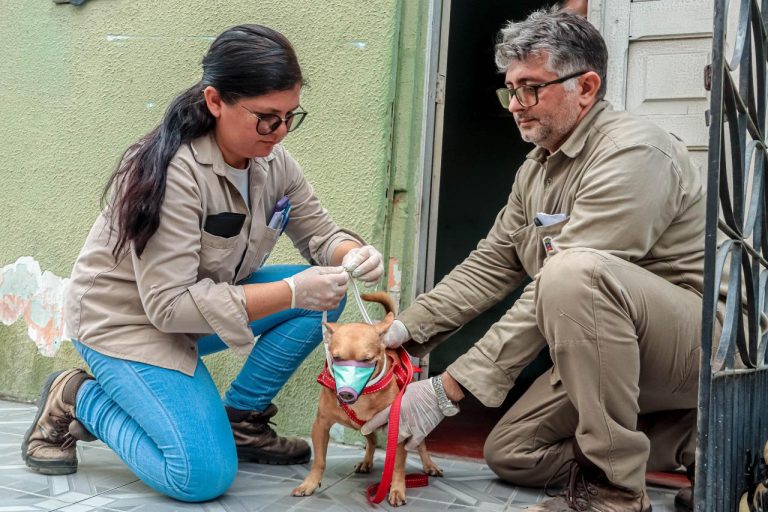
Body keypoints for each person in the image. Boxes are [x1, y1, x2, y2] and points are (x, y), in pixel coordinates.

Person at [21, 24, 384, 503]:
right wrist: (294, 290)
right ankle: (76, 396)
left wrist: (350, 254)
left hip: (197, 305)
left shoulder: (275, 163)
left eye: (290, 117)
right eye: (266, 118)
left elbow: (320, 233)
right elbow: (167, 308)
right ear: (215, 101)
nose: (279, 132)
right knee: (200, 477)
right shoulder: (174, 171)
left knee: (327, 297)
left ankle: (242, 421)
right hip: (127, 324)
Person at [363, 9, 704, 512]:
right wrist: (402, 332)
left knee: (571, 273)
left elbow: (573, 281)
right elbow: (491, 263)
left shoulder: (635, 152)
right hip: (612, 351)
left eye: (530, 89)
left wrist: (447, 389)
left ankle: (615, 493)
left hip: (691, 347)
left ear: (585, 87)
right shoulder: (538, 168)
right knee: (514, 454)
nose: (516, 106)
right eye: (510, 91)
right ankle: (694, 439)